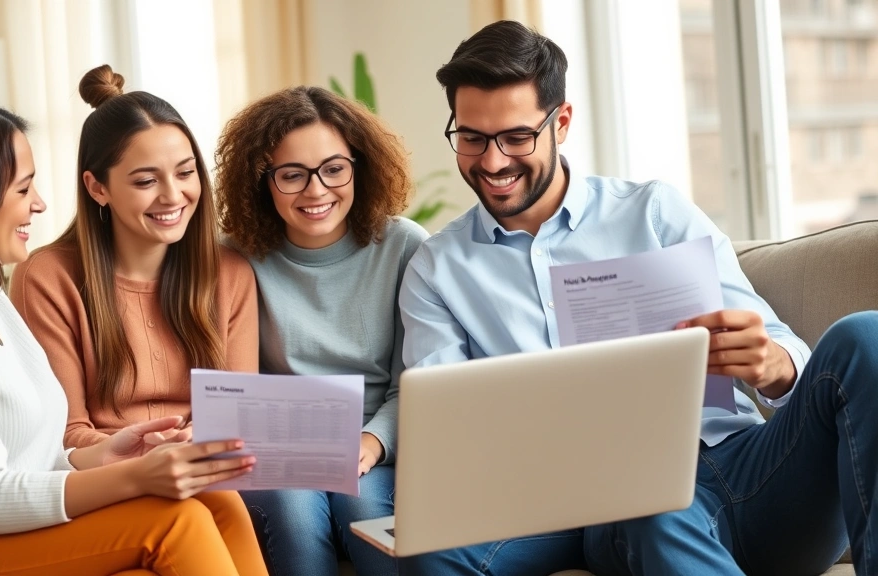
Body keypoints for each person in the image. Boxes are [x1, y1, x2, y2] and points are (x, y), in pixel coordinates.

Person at [397, 20, 878, 576]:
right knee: (430, 544)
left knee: (864, 336)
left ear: (563, 122)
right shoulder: (437, 270)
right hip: (589, 507)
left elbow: (774, 342)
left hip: (747, 472)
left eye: (516, 137)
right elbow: (448, 437)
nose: (493, 161)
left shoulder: (653, 212)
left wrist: (774, 365)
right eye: (472, 138)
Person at [0, 95, 266, 576]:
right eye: (23, 189)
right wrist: (136, 477)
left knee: (217, 499)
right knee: (175, 523)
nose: (40, 203)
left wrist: (103, 456)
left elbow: (29, 454)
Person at [214, 85, 428, 576]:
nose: (316, 190)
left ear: (360, 166)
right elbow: (233, 386)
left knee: (363, 510)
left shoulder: (404, 246)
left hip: (375, 443)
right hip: (278, 451)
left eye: (334, 169)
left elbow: (414, 379)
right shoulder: (232, 256)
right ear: (262, 180)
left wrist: (371, 443)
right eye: (292, 175)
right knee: (291, 509)